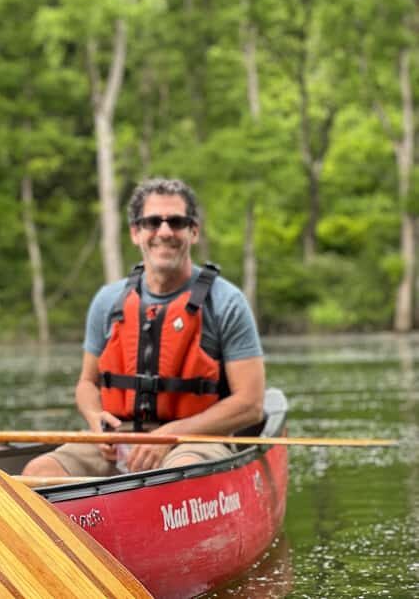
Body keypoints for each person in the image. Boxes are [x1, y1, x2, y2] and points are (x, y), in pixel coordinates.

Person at [23, 178, 265, 478]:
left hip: (194, 441)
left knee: (178, 474)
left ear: (193, 231)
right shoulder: (108, 300)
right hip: (120, 440)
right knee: (38, 471)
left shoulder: (226, 302)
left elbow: (250, 404)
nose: (164, 232)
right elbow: (87, 384)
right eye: (152, 222)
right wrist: (96, 419)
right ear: (136, 233)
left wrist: (173, 434)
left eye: (176, 222)